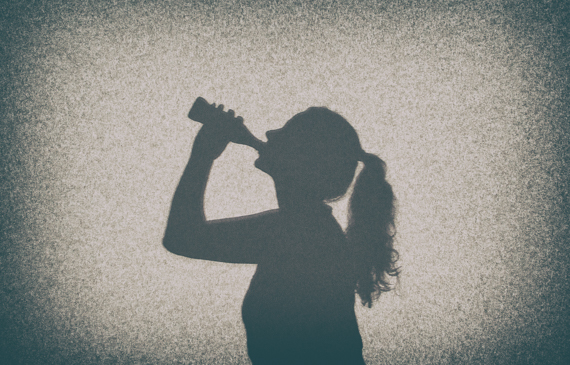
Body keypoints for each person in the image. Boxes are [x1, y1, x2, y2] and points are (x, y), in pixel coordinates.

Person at [163, 105, 399, 364]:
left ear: (304, 158)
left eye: (285, 132)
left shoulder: (299, 230)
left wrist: (203, 153)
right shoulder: (308, 227)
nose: (269, 133)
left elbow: (183, 238)